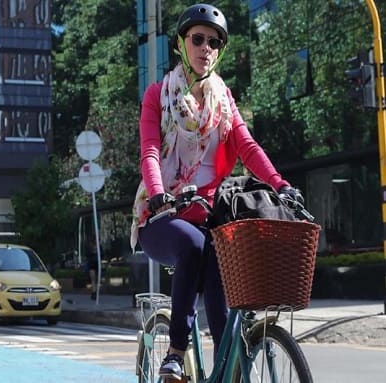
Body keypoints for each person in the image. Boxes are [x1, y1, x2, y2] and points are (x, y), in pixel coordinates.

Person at [129, 4, 304, 380]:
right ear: (181, 43)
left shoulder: (222, 100)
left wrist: (281, 184)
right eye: (197, 39)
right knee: (193, 246)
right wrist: (159, 193)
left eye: (213, 42)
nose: (205, 47)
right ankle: (175, 352)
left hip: (210, 216)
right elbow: (150, 151)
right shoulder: (158, 95)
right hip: (162, 217)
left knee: (225, 275)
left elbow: (248, 146)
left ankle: (231, 369)